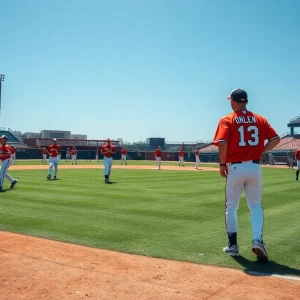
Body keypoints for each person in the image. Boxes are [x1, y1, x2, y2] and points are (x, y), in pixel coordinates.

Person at [213, 88, 280, 262]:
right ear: (246, 101)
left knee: (231, 207)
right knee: (255, 206)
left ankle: (233, 246)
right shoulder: (260, 119)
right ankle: (257, 240)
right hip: (254, 167)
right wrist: (261, 152)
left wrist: (221, 164)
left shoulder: (228, 119)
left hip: (235, 167)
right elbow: (276, 139)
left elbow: (222, 143)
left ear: (232, 101)